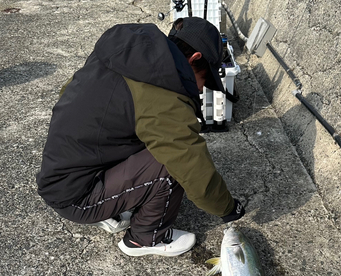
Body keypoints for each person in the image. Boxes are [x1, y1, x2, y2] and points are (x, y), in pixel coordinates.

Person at [36, 17, 245, 257]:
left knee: (149, 137)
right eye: (205, 80)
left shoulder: (126, 56)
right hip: (75, 196)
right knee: (172, 165)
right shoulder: (164, 93)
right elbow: (191, 167)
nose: (200, 89)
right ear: (194, 59)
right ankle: (145, 238)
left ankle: (115, 206)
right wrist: (228, 208)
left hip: (61, 175)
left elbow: (68, 94)